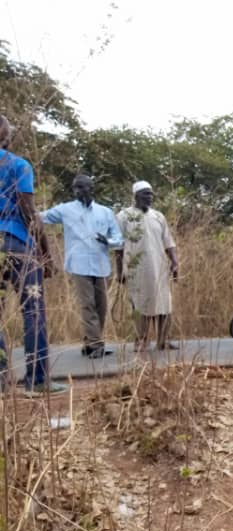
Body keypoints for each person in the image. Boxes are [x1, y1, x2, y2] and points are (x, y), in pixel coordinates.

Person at [0, 114, 65, 394]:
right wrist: (46, 254)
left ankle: (2, 381)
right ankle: (37, 379)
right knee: (33, 311)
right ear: (5, 134)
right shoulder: (18, 165)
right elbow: (29, 212)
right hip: (17, 246)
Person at [40, 174, 123, 359]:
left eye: (81, 187)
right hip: (78, 263)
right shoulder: (66, 209)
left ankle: (90, 342)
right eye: (75, 188)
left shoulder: (105, 212)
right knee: (87, 304)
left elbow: (118, 239)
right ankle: (96, 345)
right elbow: (40, 217)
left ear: (90, 188)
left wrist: (107, 240)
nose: (77, 191)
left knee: (101, 306)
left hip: (100, 263)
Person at [115, 181, 180, 351]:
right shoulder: (124, 216)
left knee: (164, 304)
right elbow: (118, 247)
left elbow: (169, 242)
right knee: (140, 304)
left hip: (160, 267)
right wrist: (120, 270)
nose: (149, 197)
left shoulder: (158, 216)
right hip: (137, 269)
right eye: (145, 194)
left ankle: (163, 341)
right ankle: (141, 341)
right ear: (136, 196)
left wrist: (174, 262)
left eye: (151, 194)